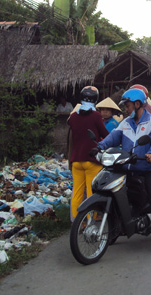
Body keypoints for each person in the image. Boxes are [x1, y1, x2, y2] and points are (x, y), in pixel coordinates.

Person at [95, 88, 151, 254]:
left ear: (137, 104)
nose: (125, 109)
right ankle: (116, 228)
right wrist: (99, 147)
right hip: (127, 168)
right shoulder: (126, 122)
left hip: (147, 169)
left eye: (127, 106)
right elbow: (113, 136)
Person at [67, 86, 109, 221]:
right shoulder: (96, 115)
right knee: (92, 193)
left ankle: (76, 222)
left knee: (77, 193)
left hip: (76, 161)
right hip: (92, 160)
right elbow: (105, 135)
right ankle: (92, 219)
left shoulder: (73, 117)